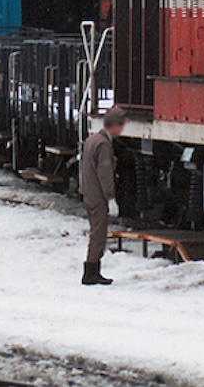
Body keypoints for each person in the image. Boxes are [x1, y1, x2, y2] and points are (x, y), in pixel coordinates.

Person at [79, 106, 127, 286]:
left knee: (96, 232)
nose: (121, 130)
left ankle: (92, 271)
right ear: (113, 125)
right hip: (97, 196)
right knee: (98, 234)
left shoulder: (92, 140)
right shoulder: (104, 145)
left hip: (89, 193)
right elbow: (105, 173)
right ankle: (91, 272)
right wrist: (110, 197)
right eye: (121, 126)